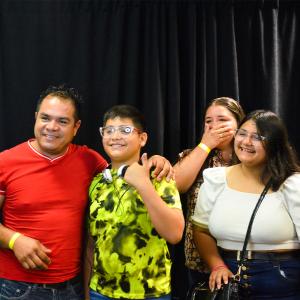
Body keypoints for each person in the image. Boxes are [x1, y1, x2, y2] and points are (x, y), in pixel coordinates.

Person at [0, 85, 174, 300]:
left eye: (62, 121)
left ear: (76, 127)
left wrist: (159, 161)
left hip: (73, 286)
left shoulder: (89, 161)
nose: (52, 127)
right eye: (45, 118)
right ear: (36, 118)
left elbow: (123, 169)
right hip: (18, 286)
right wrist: (14, 240)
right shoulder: (6, 161)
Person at [192, 110, 300, 299]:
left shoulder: (292, 184)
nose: (246, 142)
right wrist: (217, 266)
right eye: (242, 134)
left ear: (274, 143)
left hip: (281, 279)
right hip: (229, 280)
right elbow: (201, 231)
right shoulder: (216, 179)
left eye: (257, 137)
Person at [85, 105, 185, 300]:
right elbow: (91, 243)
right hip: (101, 292)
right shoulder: (97, 182)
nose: (115, 136)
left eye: (125, 130)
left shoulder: (159, 177)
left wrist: (143, 184)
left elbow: (174, 234)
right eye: (109, 130)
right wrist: (88, 292)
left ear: (142, 138)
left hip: (150, 293)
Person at [173, 97, 245, 288]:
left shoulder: (251, 157)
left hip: (242, 258)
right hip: (199, 261)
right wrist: (206, 145)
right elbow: (177, 185)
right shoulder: (192, 155)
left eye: (222, 120)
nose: (214, 126)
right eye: (208, 121)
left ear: (239, 124)